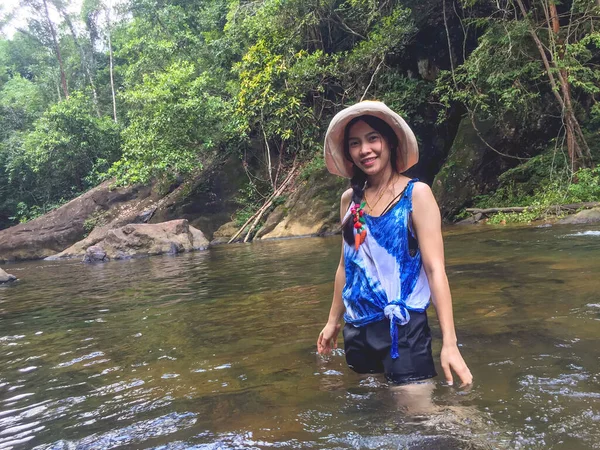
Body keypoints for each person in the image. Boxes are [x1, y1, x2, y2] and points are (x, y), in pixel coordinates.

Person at [317, 101, 473, 387]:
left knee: (419, 419)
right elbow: (346, 266)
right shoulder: (349, 201)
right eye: (355, 143)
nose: (365, 150)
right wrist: (332, 322)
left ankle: (477, 433)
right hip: (358, 329)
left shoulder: (417, 195)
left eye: (372, 138)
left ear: (388, 142)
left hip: (403, 328)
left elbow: (435, 270)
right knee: (378, 417)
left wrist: (450, 343)